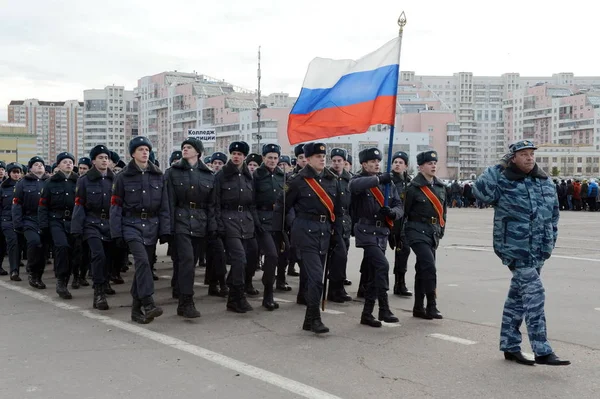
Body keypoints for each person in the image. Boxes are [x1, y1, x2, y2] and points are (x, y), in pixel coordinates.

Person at [473, 140, 570, 366]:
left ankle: (510, 345)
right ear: (512, 158)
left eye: (531, 154)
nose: (528, 158)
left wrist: (550, 241)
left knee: (517, 298)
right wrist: (499, 167)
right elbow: (480, 192)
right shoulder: (504, 181)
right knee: (535, 293)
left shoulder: (545, 182)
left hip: (539, 249)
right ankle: (542, 349)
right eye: (523, 154)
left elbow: (553, 216)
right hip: (515, 249)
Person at [273, 142, 338, 334]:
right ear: (307, 159)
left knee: (316, 277)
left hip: (325, 232)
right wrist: (281, 235)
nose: (322, 159)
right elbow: (282, 207)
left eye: (323, 157)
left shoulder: (331, 179)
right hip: (305, 232)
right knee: (316, 277)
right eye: (318, 157)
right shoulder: (296, 181)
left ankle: (309, 320)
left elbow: (338, 210)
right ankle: (315, 318)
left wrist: (337, 233)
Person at [110, 136, 171, 324]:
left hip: (152, 226)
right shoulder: (123, 177)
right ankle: (148, 302)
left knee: (145, 267)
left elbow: (164, 205)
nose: (145, 153)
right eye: (140, 150)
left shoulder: (158, 175)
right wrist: (116, 233)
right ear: (133, 153)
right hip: (131, 224)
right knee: (142, 262)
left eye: (147, 149)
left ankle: (136, 311)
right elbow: (116, 206)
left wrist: (165, 229)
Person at [349, 148, 402, 327]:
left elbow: (399, 205)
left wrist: (393, 213)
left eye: (378, 161)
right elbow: (354, 187)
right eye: (372, 161)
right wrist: (379, 179)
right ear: (364, 164)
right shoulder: (359, 180)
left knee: (373, 272)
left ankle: (367, 314)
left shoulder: (388, 183)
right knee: (383, 265)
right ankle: (384, 308)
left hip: (382, 233)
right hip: (365, 231)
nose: (376, 164)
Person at [166, 137, 217, 318]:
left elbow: (212, 204)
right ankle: (186, 301)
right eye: (183, 147)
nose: (185, 149)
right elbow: (169, 202)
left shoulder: (208, 175)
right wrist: (168, 228)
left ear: (198, 151)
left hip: (200, 222)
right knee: (186, 259)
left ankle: (180, 290)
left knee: (190, 262)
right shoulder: (173, 172)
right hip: (180, 220)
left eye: (189, 147)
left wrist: (212, 227)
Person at [214, 141, 257, 313]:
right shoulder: (222, 175)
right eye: (234, 153)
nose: (236, 156)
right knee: (239, 258)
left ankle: (235, 293)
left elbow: (252, 202)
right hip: (228, 219)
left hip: (246, 220)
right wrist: (218, 224)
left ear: (244, 157)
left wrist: (255, 222)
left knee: (251, 256)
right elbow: (215, 202)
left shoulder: (248, 176)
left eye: (239, 154)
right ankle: (236, 296)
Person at [404, 150, 447, 320]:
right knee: (429, 266)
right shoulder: (412, 188)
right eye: (429, 163)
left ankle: (418, 307)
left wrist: (441, 229)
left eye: (435, 163)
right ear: (421, 167)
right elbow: (404, 212)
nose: (433, 166)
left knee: (422, 269)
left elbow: (443, 212)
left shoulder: (440, 187)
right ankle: (432, 305)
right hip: (415, 230)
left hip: (432, 233)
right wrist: (399, 236)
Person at [71, 145, 115, 310]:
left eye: (106, 158)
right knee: (98, 256)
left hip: (110, 224)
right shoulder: (84, 180)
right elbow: (79, 205)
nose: (104, 160)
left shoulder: (115, 179)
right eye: (101, 158)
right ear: (94, 161)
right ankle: (99, 293)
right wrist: (76, 229)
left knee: (109, 259)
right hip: (92, 223)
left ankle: (105, 284)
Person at [38, 152, 80, 299]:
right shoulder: (51, 182)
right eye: (64, 162)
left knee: (72, 252)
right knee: (62, 247)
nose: (68, 164)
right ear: (59, 165)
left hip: (74, 221)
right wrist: (43, 225)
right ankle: (61, 282)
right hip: (56, 220)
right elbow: (43, 205)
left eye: (70, 162)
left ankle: (69, 278)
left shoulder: (79, 181)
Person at [252, 143, 285, 310]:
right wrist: (257, 222)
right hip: (262, 221)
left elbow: (286, 196)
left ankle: (268, 293)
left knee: (276, 257)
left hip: (278, 221)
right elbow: (251, 201)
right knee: (271, 256)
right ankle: (268, 293)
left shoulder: (282, 176)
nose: (273, 160)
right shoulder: (256, 176)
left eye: (275, 158)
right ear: (263, 158)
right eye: (269, 157)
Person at [13, 157, 50, 289]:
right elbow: (17, 204)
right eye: (36, 164)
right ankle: (32, 271)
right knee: (35, 242)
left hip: (46, 220)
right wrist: (18, 223)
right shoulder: (22, 183)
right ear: (30, 168)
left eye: (41, 164)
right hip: (29, 219)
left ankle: (37, 276)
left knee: (43, 250)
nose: (39, 166)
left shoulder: (50, 182)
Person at [326, 148, 352, 303]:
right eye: (334, 160)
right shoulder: (327, 178)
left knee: (343, 257)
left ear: (344, 162)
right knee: (337, 257)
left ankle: (339, 288)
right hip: (333, 222)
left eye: (339, 161)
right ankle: (333, 290)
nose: (336, 163)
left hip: (346, 222)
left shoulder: (350, 179)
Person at [390, 151, 412, 297]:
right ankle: (366, 284)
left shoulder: (409, 182)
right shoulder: (388, 180)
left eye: (400, 162)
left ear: (406, 166)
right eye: (395, 162)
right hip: (390, 220)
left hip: (403, 222)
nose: (397, 164)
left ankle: (400, 283)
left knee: (403, 252)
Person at [1, 163, 23, 279]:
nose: (16, 174)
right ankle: (14, 271)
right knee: (12, 243)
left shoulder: (24, 186)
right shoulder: (3, 187)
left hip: (21, 219)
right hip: (6, 219)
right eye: (14, 172)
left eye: (18, 172)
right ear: (9, 173)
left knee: (20, 244)